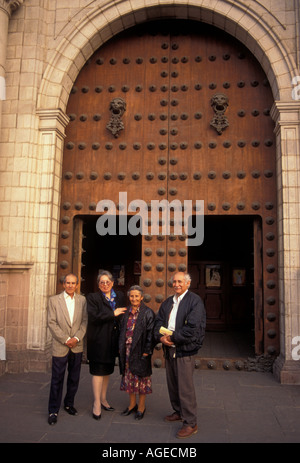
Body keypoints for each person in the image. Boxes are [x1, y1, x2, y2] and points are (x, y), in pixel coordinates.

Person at [154, 272, 206, 439]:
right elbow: (158, 322)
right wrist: (161, 337)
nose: (176, 284)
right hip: (169, 349)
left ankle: (191, 422)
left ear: (187, 284)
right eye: (174, 281)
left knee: (185, 388)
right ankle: (178, 411)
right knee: (172, 384)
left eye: (180, 281)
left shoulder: (194, 301)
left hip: (184, 350)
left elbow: (192, 328)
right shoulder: (169, 302)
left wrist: (172, 338)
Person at [47, 273, 87, 425]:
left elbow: (84, 322)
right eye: (68, 283)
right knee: (57, 379)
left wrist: (76, 338)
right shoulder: (54, 300)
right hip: (60, 346)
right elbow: (51, 322)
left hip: (76, 346)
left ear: (77, 285)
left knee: (74, 378)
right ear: (63, 284)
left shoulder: (82, 300)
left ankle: (69, 403)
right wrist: (66, 339)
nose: (70, 285)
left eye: (73, 283)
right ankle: (53, 410)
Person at [86, 270, 126, 420]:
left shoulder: (120, 296)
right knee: (98, 371)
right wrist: (112, 314)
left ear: (113, 283)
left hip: (113, 340)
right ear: (98, 284)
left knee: (107, 370)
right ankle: (96, 403)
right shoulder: (93, 297)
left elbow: (122, 316)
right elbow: (93, 317)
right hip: (98, 339)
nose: (105, 284)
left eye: (107, 282)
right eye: (102, 282)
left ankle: (103, 398)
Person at [119, 285, 155, 420]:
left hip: (140, 351)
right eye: (131, 296)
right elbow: (121, 331)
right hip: (127, 351)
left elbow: (151, 334)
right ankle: (132, 405)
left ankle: (141, 406)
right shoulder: (126, 312)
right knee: (129, 379)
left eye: (136, 296)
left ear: (141, 297)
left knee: (141, 379)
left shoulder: (147, 312)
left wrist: (147, 351)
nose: (134, 298)